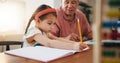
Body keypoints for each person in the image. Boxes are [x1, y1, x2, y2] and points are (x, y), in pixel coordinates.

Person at [23, 4, 88, 52]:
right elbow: (49, 42)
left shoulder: (45, 32)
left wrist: (76, 43)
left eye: (54, 24)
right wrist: (73, 46)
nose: (52, 27)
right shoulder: (34, 32)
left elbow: (57, 39)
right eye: (49, 23)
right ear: (38, 21)